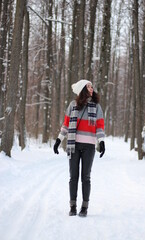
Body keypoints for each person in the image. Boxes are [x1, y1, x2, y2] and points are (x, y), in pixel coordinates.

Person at [53, 79, 105, 217]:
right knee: (73, 177)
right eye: (88, 86)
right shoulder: (72, 105)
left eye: (92, 86)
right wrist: (59, 140)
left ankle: (84, 207)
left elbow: (99, 126)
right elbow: (65, 125)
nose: (91, 88)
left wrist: (102, 142)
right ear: (83, 89)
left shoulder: (97, 107)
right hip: (73, 145)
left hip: (89, 146)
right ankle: (73, 206)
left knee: (86, 177)